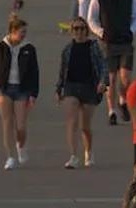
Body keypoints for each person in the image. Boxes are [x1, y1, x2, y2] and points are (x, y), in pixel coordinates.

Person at [86, 0, 136, 126]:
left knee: (125, 78)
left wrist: (132, 30)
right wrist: (101, 32)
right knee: (111, 78)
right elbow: (91, 18)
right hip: (107, 43)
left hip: (125, 41)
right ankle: (112, 111)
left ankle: (123, 99)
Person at [0, 14, 39, 170]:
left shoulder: (29, 49)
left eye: (25, 32)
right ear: (13, 31)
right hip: (4, 89)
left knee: (21, 126)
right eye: (21, 32)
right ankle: (9, 157)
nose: (24, 35)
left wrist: (34, 94)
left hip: (22, 90)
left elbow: (35, 73)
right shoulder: (0, 47)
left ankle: (21, 146)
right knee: (7, 123)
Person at [57, 16, 107, 168]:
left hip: (89, 87)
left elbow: (103, 65)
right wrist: (58, 88)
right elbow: (62, 71)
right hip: (71, 86)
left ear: (87, 30)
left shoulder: (94, 46)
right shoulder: (67, 49)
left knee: (85, 126)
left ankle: (89, 151)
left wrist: (103, 82)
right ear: (71, 31)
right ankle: (73, 156)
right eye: (76, 29)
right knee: (72, 122)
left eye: (82, 28)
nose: (79, 32)